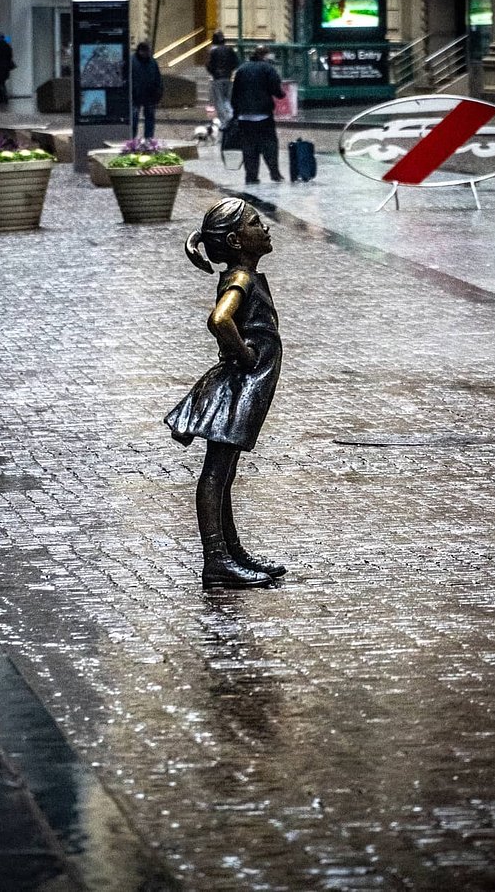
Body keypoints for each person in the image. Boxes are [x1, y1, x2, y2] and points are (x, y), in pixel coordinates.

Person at [165, 198, 287, 590]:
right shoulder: (241, 279)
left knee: (225, 469)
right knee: (217, 472)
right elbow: (219, 319)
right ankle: (216, 558)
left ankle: (230, 551)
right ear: (236, 240)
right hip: (238, 384)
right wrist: (246, 355)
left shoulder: (246, 275)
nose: (264, 227)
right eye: (255, 222)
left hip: (245, 383)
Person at [230, 44, 286, 185]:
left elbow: (235, 93)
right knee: (269, 145)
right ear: (265, 55)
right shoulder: (268, 69)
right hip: (263, 114)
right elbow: (276, 90)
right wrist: (281, 93)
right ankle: (274, 173)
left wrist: (236, 113)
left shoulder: (242, 69)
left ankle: (251, 176)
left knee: (249, 147)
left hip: (244, 116)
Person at [205, 30, 239, 126]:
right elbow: (235, 62)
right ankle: (231, 117)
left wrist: (214, 72)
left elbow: (208, 65)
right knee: (227, 99)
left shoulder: (212, 50)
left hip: (217, 78)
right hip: (228, 77)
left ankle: (225, 121)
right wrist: (229, 71)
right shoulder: (229, 49)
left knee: (219, 101)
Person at [131, 41, 163, 140]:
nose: (147, 54)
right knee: (134, 118)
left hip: (150, 95)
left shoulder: (152, 62)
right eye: (146, 52)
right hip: (135, 96)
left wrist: (159, 92)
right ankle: (132, 138)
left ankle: (149, 138)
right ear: (140, 51)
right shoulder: (132, 61)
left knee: (149, 118)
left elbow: (158, 78)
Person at [0, 32, 14, 106]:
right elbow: (10, 56)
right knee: (2, 81)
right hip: (6, 66)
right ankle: (1, 98)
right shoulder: (7, 46)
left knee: (1, 82)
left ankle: (4, 96)